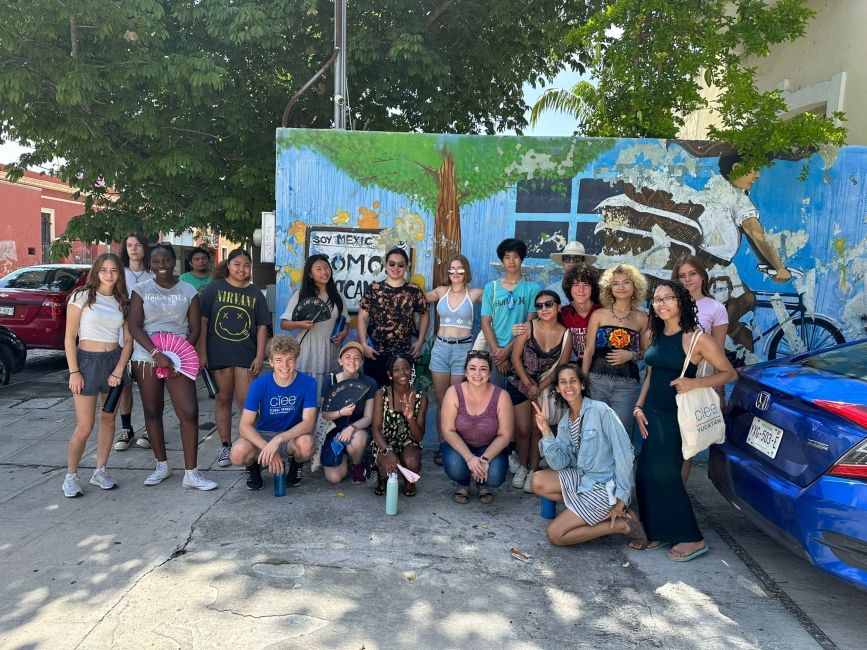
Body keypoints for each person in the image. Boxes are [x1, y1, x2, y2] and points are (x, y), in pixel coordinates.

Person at [633, 280, 736, 561]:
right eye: (656, 299)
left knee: (667, 473)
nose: (661, 303)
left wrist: (694, 383)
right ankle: (657, 531)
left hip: (676, 414)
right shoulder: (653, 334)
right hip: (651, 411)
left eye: (668, 298)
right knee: (645, 473)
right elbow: (651, 373)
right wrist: (639, 407)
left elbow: (729, 373)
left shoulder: (697, 338)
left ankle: (692, 537)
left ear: (681, 302)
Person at [128, 243, 217, 491]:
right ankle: (161, 465)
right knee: (152, 411)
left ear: (173, 262)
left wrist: (181, 355)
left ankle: (191, 473)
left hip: (179, 357)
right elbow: (134, 326)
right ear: (150, 265)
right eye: (156, 262)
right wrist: (157, 354)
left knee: (189, 412)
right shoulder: (141, 289)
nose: (162, 266)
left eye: (165, 261)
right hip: (146, 356)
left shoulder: (188, 290)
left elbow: (196, 327)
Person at [530, 365, 646, 548]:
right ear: (558, 389)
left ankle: (623, 525)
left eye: (573, 381)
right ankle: (588, 511)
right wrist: (545, 432)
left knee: (555, 535)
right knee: (537, 480)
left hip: (604, 485)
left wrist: (622, 499)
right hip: (584, 479)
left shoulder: (601, 411)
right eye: (563, 382)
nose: (569, 386)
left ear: (582, 385)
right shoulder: (564, 423)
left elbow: (624, 453)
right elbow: (559, 463)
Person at [62, 253, 133, 497]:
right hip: (86, 363)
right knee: (85, 426)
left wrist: (119, 370)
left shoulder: (122, 300)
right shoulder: (81, 296)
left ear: (119, 274)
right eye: (104, 270)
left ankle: (100, 470)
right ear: (96, 272)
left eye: (114, 270)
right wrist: (74, 371)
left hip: (113, 362)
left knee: (108, 420)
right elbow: (70, 337)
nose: (109, 275)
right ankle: (71, 476)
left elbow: (129, 341)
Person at [199, 248, 270, 468]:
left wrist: (260, 356)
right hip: (218, 354)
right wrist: (201, 352)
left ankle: (251, 445)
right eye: (237, 264)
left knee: (246, 404)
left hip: (245, 356)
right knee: (222, 400)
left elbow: (261, 327)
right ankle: (225, 446)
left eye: (246, 265)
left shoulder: (255, 294)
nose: (242, 269)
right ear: (228, 265)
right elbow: (202, 322)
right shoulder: (213, 289)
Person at [231, 335, 318, 490]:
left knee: (306, 444)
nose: (284, 365)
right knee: (237, 453)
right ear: (270, 362)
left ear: (296, 360)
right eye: (278, 360)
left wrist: (277, 440)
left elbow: (308, 423)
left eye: (289, 359)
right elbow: (245, 426)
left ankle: (296, 465)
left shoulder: (309, 383)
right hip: (264, 434)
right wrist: (267, 447)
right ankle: (253, 467)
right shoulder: (259, 384)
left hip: (291, 435)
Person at [508, 289, 572, 492]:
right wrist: (528, 384)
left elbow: (560, 368)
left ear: (558, 307)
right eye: (539, 306)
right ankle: (523, 466)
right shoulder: (528, 327)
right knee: (523, 429)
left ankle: (534, 470)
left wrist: (539, 388)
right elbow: (515, 357)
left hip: (544, 387)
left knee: (538, 429)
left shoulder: (565, 334)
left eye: (548, 304)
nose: (543, 309)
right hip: (520, 382)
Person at [672, 255, 728, 482]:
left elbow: (719, 355)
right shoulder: (669, 303)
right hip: (668, 380)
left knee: (688, 444)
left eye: (692, 274)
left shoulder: (715, 308)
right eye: (681, 276)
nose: (687, 280)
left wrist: (719, 393)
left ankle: (678, 494)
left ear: (703, 275)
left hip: (695, 383)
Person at [424, 255, 483, 465]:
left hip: (463, 349)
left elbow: (497, 305)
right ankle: (442, 445)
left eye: (459, 269)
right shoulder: (441, 292)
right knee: (441, 400)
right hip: (440, 347)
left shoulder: (475, 293)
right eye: (451, 269)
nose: (455, 273)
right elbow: (418, 298)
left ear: (466, 271)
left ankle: (456, 445)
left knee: (457, 401)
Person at [439, 350, 513, 504]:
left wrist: (485, 459)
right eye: (472, 368)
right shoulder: (454, 392)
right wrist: (469, 457)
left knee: (495, 475)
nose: (477, 373)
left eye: (483, 369)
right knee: (455, 466)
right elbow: (448, 431)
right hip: (459, 446)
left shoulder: (501, 396)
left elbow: (505, 435)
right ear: (465, 372)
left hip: (489, 446)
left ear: (490, 373)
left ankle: (483, 483)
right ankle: (464, 483)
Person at [582, 264, 648, 435]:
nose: (621, 287)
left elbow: (647, 353)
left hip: (626, 384)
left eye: (626, 282)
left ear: (635, 287)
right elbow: (588, 350)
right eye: (615, 283)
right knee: (596, 431)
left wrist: (631, 355)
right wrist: (583, 380)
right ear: (609, 288)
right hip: (596, 380)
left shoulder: (642, 318)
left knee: (622, 432)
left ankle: (622, 463)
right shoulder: (598, 315)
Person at [357, 248, 429, 387]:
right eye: (392, 264)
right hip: (375, 353)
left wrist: (420, 341)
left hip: (403, 354)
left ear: (406, 267)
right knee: (375, 394)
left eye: (400, 265)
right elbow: (362, 318)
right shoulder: (374, 289)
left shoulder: (414, 290)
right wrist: (363, 344)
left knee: (401, 396)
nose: (396, 268)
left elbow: (425, 314)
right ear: (385, 265)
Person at [280, 254, 349, 393]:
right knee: (306, 393)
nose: (324, 272)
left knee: (327, 391)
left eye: (326, 268)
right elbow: (284, 324)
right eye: (319, 269)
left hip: (330, 349)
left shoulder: (338, 296)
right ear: (310, 274)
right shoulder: (301, 295)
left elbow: (345, 321)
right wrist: (300, 324)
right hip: (307, 349)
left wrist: (344, 332)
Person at [113, 232, 155, 452]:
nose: (133, 249)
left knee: (149, 386)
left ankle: (150, 428)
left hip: (146, 337)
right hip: (121, 336)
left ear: (145, 248)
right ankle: (126, 429)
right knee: (124, 385)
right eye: (129, 245)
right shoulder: (119, 273)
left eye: (138, 245)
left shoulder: (153, 275)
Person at [480, 238, 540, 387]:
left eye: (516, 257)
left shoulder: (532, 288)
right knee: (496, 399)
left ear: (522, 259)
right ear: (502, 260)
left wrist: (507, 351)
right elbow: (485, 322)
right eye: (507, 257)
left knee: (519, 400)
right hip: (496, 352)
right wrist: (497, 354)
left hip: (521, 352)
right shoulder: (491, 288)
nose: (511, 261)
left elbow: (530, 324)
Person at [318, 341, 377, 485]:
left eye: (357, 358)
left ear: (362, 362)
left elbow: (368, 417)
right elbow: (324, 413)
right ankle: (345, 456)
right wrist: (340, 412)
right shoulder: (329, 380)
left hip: (358, 429)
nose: (352, 361)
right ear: (340, 361)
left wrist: (351, 428)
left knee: (357, 440)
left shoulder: (369, 383)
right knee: (334, 478)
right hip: (334, 431)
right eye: (348, 357)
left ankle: (357, 463)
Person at [370, 352, 428, 497]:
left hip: (409, 443)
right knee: (387, 467)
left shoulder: (421, 398)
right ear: (390, 374)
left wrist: (410, 418)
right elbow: (376, 428)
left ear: (411, 370)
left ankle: (410, 481)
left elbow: (419, 437)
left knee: (412, 460)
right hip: (385, 442)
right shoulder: (381, 394)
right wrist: (387, 451)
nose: (402, 372)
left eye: (406, 368)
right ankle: (382, 477)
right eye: (396, 369)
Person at [559, 263, 602, 365]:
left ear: (593, 288)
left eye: (586, 285)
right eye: (576, 285)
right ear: (569, 287)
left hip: (599, 368)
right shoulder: (562, 314)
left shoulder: (603, 312)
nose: (581, 290)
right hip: (571, 366)